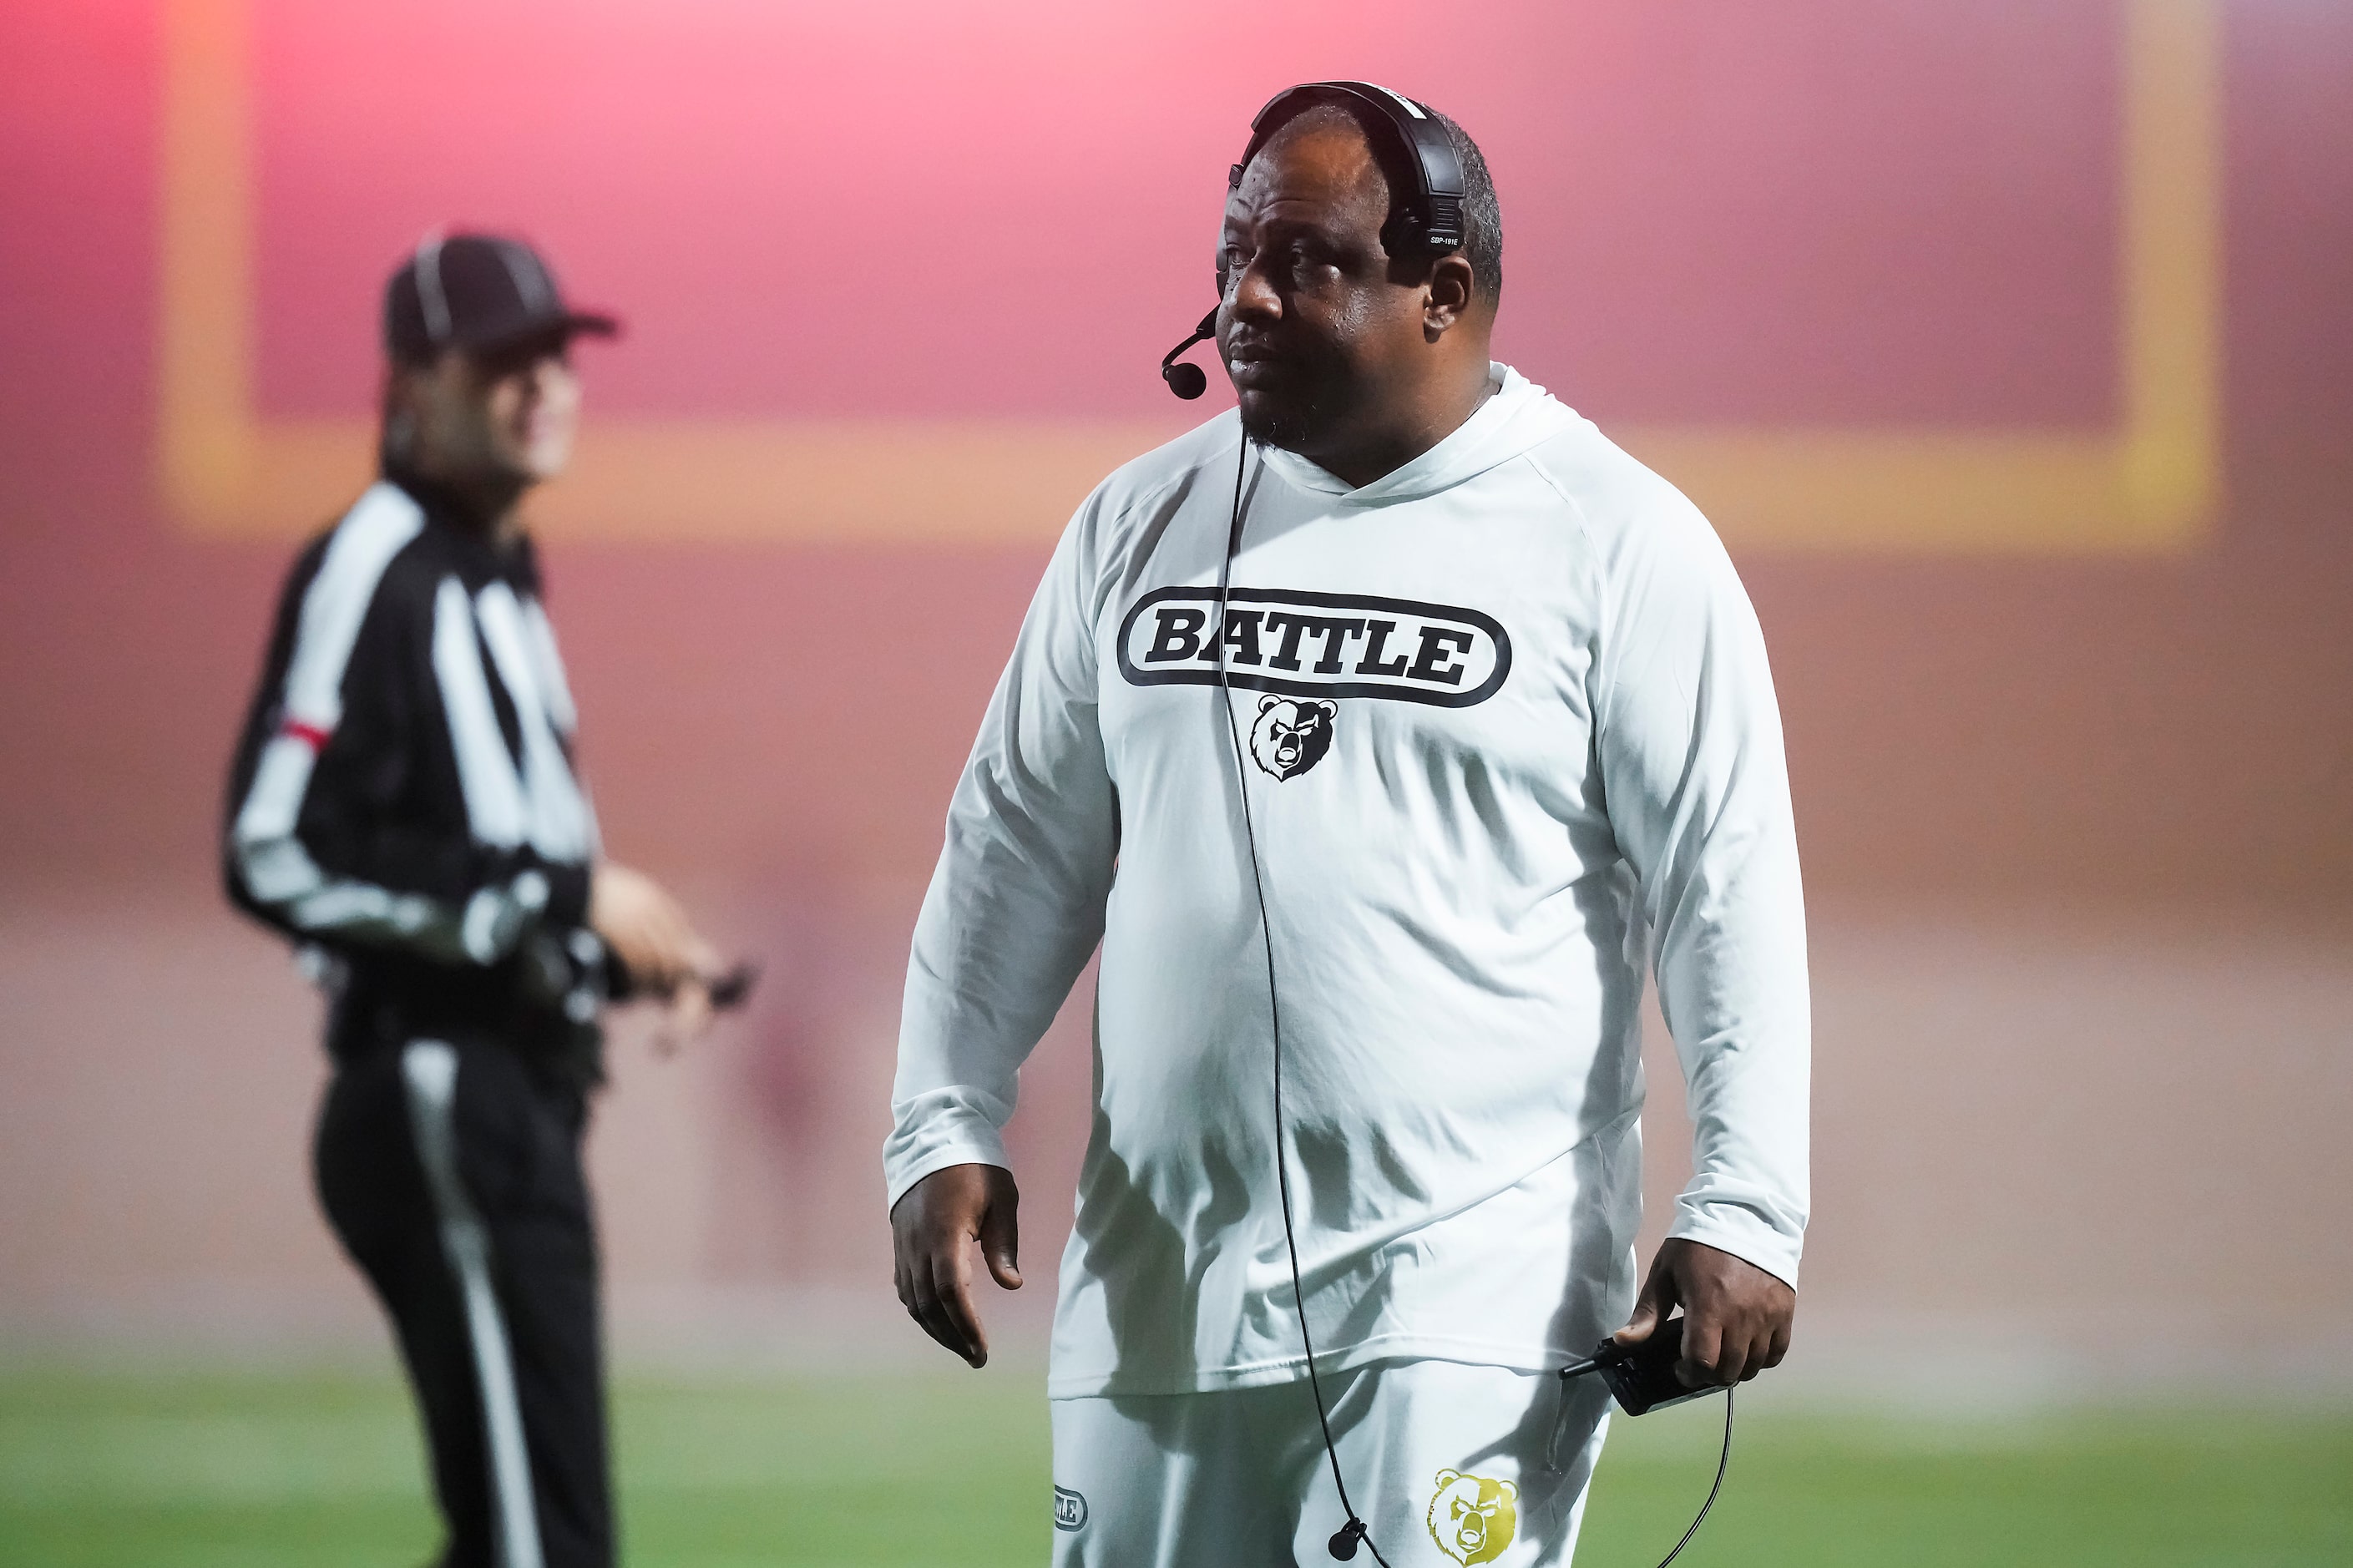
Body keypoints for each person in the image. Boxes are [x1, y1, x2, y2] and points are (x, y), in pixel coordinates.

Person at [887, 85, 1809, 1565]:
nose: (1243, 294)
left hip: (1465, 1316)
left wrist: (1747, 1206)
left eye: (1304, 259)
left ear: (1441, 293)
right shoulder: (1135, 525)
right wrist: (942, 1113)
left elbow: (1727, 887)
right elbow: (1011, 844)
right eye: (1232, 249)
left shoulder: (1614, 541)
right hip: (1158, 1302)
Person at [224, 232, 726, 1568]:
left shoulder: (497, 571)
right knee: (538, 1546)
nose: (541, 384)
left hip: (508, 1092)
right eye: (498, 360)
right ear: (410, 387)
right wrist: (553, 894)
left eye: (556, 355)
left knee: (533, 1535)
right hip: (441, 1086)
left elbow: (484, 859)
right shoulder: (379, 559)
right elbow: (273, 846)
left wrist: (623, 955)